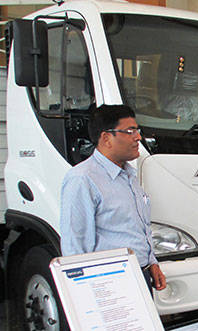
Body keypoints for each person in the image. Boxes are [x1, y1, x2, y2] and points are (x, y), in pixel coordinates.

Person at [60, 104, 166, 293]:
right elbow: (75, 244)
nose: (138, 137)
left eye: (137, 130)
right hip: (108, 281)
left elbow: (139, 228)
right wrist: (83, 293)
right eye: (130, 131)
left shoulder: (129, 176)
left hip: (140, 275)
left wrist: (152, 263)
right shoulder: (83, 179)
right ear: (106, 138)